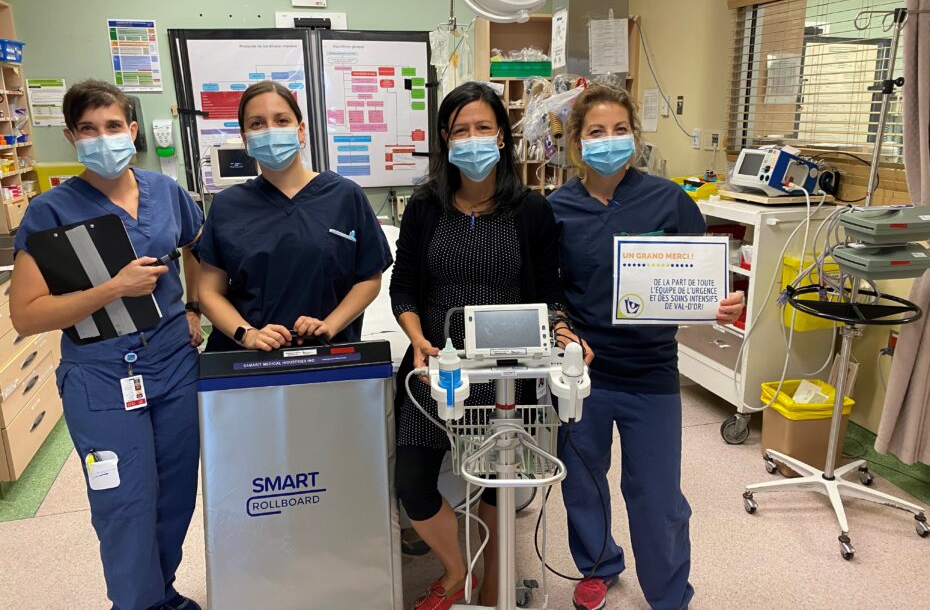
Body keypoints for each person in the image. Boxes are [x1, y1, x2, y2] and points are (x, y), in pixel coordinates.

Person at [390, 81, 588, 610]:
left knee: (499, 483)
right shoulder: (425, 207)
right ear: (445, 139)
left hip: (508, 370)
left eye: (483, 127)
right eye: (461, 130)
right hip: (438, 364)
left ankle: (496, 580)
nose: (473, 138)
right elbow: (403, 285)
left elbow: (549, 290)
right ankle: (458, 571)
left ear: (501, 136)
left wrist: (564, 334)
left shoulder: (530, 211)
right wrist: (416, 339)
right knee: (412, 482)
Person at [9, 80, 204, 610]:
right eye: (88, 129)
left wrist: (192, 308)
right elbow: (26, 314)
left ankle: (161, 595)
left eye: (113, 126)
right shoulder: (50, 211)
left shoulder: (166, 192)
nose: (103, 138)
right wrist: (113, 289)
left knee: (175, 494)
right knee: (125, 504)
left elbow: (196, 249)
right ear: (72, 137)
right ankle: (137, 604)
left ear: (132, 130)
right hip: (101, 376)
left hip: (173, 365)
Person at [548, 85, 745, 610]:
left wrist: (720, 305)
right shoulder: (556, 209)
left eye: (619, 129)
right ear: (577, 142)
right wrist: (562, 329)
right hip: (582, 372)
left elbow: (703, 279)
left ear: (634, 136)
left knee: (657, 495)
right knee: (582, 483)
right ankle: (598, 566)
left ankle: (668, 592)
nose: (609, 140)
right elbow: (548, 289)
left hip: (651, 371)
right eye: (596, 131)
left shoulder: (669, 200)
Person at [197, 80, 391, 352]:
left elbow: (369, 278)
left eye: (281, 120)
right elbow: (208, 292)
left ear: (300, 131)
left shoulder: (345, 196)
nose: (270, 130)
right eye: (257, 124)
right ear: (245, 138)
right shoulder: (227, 206)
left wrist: (330, 325)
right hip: (249, 358)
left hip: (327, 352)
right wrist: (248, 334)